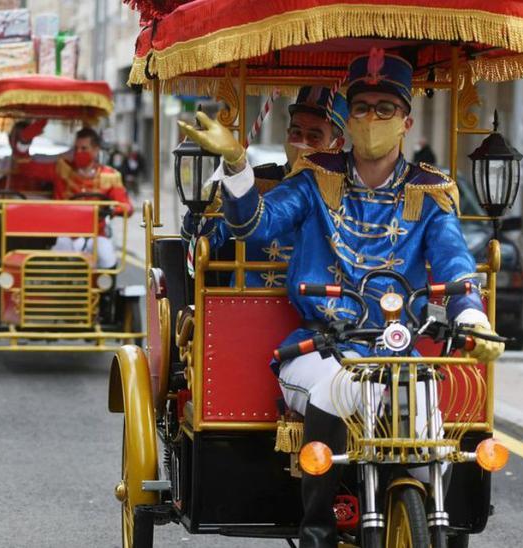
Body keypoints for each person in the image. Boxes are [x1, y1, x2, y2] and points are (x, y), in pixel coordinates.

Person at [179, 49, 503, 548]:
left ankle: (441, 525)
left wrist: (473, 317)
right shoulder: (315, 179)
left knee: (432, 421)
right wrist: (238, 166)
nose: (371, 119)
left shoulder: (431, 192)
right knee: (334, 386)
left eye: (384, 109)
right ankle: (316, 535)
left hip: (397, 349)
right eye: (362, 108)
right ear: (348, 119)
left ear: (406, 121)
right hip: (320, 346)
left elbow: (456, 262)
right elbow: (254, 224)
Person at [181, 85, 348, 288]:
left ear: (337, 144)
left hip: (321, 302)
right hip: (250, 298)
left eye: (314, 137)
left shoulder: (348, 191)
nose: (302, 143)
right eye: (296, 133)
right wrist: (204, 208)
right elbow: (199, 243)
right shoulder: (253, 182)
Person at [13, 125, 134, 269]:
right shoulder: (62, 169)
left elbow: (126, 205)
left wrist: (114, 210)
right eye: (76, 148)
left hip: (95, 234)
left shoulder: (110, 176)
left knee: (107, 257)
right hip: (64, 234)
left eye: (84, 149)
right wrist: (25, 139)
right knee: (53, 265)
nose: (79, 152)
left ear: (95, 150)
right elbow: (26, 167)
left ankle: (105, 291)